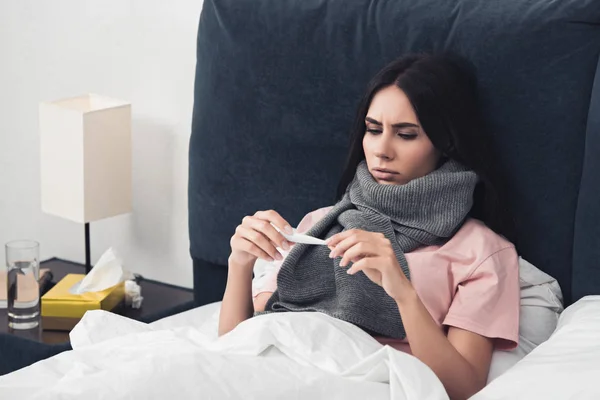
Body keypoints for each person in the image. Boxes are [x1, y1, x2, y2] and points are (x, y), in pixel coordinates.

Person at [218, 53, 520, 400]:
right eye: (373, 130)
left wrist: (403, 293)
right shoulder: (319, 223)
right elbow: (236, 345)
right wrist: (238, 265)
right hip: (260, 374)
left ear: (446, 142)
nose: (381, 151)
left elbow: (463, 389)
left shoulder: (482, 252)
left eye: (406, 135)